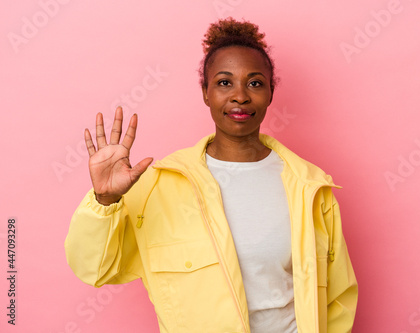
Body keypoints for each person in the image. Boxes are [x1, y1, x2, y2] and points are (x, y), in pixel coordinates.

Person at [65, 17, 358, 333]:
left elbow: (338, 297)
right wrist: (105, 200)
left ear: (272, 92)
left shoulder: (311, 187)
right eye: (224, 82)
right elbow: (94, 269)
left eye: (255, 83)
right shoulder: (157, 187)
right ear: (205, 92)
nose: (240, 96)